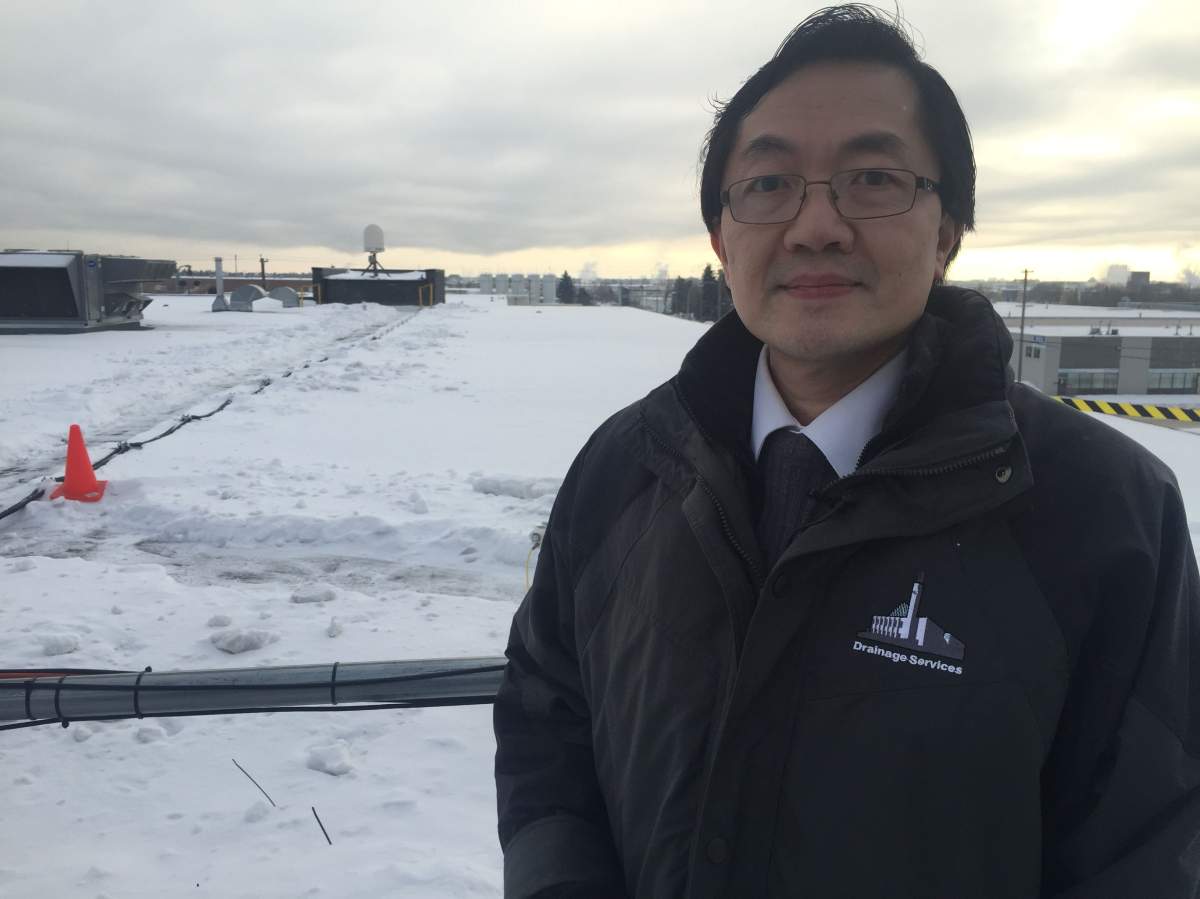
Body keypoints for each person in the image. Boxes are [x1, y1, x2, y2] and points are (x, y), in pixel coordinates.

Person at [493, 5, 1200, 897]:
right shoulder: (625, 467)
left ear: (947, 232)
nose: (815, 225)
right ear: (720, 239)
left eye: (872, 178)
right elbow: (547, 710)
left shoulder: (1103, 512)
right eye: (768, 183)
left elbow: (1147, 846)